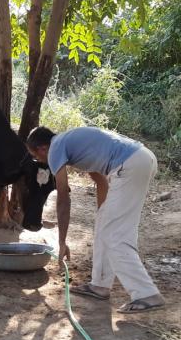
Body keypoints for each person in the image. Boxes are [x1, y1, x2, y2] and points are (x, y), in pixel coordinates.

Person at [26, 125, 165, 314]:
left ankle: (146, 294)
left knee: (115, 234)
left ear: (42, 148)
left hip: (130, 165)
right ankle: (100, 285)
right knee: (104, 227)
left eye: (36, 156)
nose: (40, 160)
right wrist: (104, 214)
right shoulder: (73, 144)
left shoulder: (56, 147)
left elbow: (63, 198)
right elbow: (100, 181)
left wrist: (62, 241)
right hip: (140, 159)